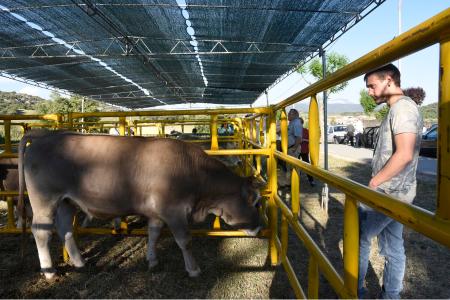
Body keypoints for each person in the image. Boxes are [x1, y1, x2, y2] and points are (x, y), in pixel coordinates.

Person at [358, 63, 422, 299]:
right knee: (394, 247)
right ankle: (391, 295)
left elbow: (404, 154)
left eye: (372, 86)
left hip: (389, 193)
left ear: (389, 79)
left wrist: (374, 183)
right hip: (396, 192)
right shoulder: (398, 109)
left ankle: (356, 291)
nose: (370, 91)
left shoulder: (402, 110)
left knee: (359, 236)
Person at [284, 109, 303, 185]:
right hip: (290, 148)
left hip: (293, 148)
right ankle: (290, 183)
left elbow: (299, 137)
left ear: (294, 114)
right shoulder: (292, 122)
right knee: (289, 167)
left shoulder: (296, 123)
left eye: (289, 114)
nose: (288, 115)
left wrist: (294, 148)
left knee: (294, 167)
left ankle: (295, 184)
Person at [299, 117, 315, 187]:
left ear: (302, 123)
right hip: (296, 150)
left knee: (307, 166)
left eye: (299, 123)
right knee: (295, 165)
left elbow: (310, 140)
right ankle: (295, 180)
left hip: (304, 150)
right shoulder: (294, 130)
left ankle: (311, 180)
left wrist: (304, 140)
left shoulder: (305, 130)